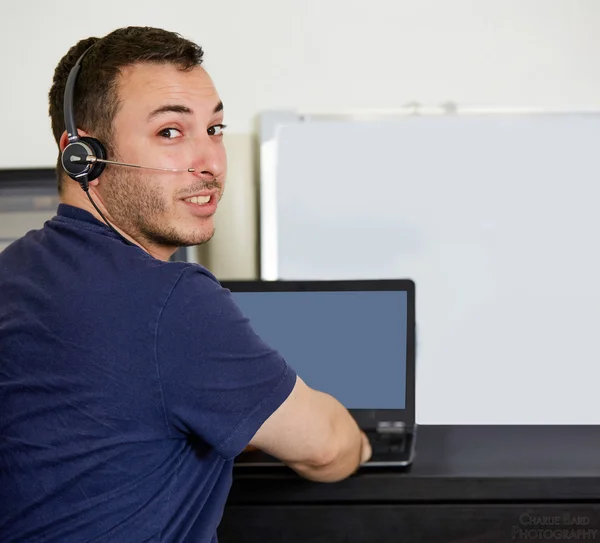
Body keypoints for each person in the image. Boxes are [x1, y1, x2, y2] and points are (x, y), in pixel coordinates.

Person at [0, 26, 371, 542]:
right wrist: (363, 443)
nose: (210, 163)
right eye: (170, 132)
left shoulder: (12, 272)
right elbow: (329, 448)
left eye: (214, 130)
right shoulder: (171, 300)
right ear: (81, 153)